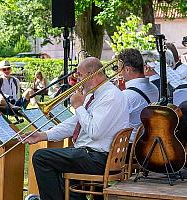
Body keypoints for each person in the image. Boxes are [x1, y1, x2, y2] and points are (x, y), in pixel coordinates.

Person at [22, 57, 129, 200]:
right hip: (93, 154)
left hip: (99, 158)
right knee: (57, 161)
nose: (77, 80)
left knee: (41, 158)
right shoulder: (97, 94)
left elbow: (94, 132)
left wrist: (78, 106)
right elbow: (74, 123)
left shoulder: (110, 96)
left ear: (92, 75)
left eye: (80, 75)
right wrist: (43, 135)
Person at [118, 48, 159, 142]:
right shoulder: (154, 88)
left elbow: (113, 123)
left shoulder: (126, 95)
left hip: (130, 146)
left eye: (120, 69)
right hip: (147, 142)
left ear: (127, 69)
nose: (120, 73)